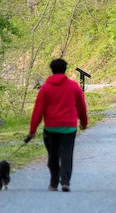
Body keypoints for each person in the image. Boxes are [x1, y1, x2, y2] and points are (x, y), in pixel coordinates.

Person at [27, 58, 88, 192]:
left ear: (52, 70)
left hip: (51, 128)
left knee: (53, 156)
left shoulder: (45, 88)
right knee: (67, 155)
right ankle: (65, 182)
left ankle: (54, 183)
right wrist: (83, 122)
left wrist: (32, 130)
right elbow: (81, 106)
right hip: (69, 128)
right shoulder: (73, 86)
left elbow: (38, 111)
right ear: (65, 69)